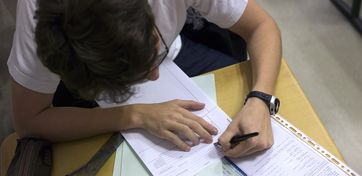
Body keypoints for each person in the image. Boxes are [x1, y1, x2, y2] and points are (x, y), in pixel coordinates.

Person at [8, 0, 282, 158]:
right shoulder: (44, 20)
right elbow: (29, 122)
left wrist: (260, 99)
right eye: (138, 74)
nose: (155, 76)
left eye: (152, 45)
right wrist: (134, 115)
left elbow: (261, 26)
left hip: (179, 50)